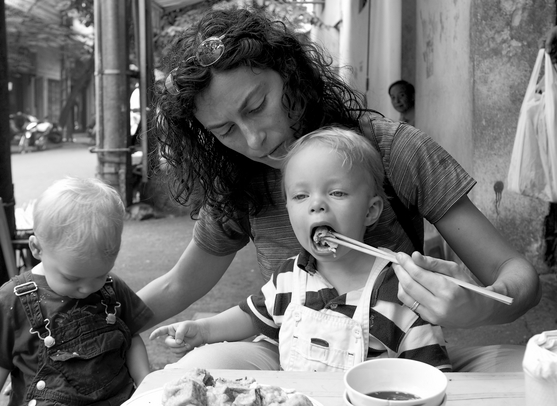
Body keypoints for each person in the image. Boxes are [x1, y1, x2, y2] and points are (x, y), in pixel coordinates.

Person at [139, 6, 540, 371]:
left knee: (535, 370)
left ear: (289, 74)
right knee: (191, 375)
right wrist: (94, 318)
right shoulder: (238, 183)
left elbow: (517, 277)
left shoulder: (394, 150)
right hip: (287, 353)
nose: (255, 140)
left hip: (392, 357)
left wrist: (477, 307)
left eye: (257, 105)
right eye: (225, 130)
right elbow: (178, 283)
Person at [151, 127, 452, 372]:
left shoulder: (398, 292)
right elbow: (251, 314)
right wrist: (202, 331)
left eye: (336, 192)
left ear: (371, 211)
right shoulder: (289, 278)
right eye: (300, 195)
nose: (316, 204)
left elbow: (430, 377)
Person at [0, 177, 154, 406]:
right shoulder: (10, 301)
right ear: (36, 248)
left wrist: (145, 382)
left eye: (101, 274)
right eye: (72, 278)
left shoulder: (112, 288)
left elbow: (130, 338)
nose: (88, 287)